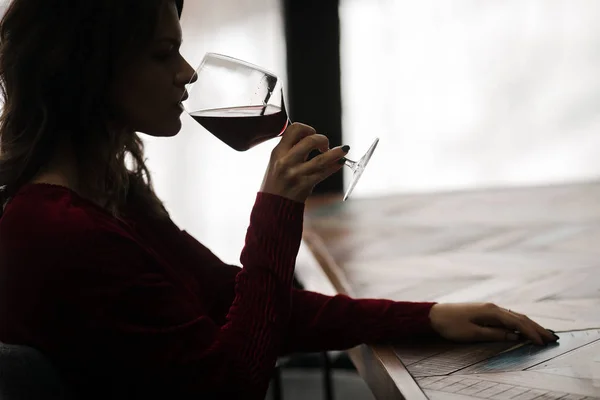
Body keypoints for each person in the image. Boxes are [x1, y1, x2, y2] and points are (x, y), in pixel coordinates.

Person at [0, 0, 558, 398]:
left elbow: (235, 302)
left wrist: (430, 317)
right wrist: (276, 208)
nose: (187, 72)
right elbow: (231, 381)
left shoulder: (113, 195)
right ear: (88, 68)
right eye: (163, 54)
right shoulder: (56, 231)